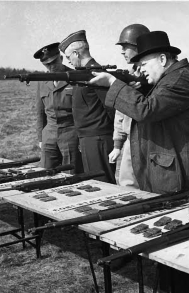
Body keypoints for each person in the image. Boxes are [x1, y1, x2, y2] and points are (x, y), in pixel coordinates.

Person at [89, 30, 189, 293]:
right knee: (169, 244)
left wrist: (114, 84)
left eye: (144, 64)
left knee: (181, 244)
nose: (141, 70)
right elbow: (145, 103)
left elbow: (147, 109)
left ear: (164, 59)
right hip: (169, 176)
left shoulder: (179, 80)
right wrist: (130, 86)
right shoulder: (169, 78)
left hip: (182, 180)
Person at [59, 30, 116, 183]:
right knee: (95, 182)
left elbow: (111, 107)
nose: (68, 61)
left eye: (68, 56)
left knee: (103, 183)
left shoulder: (95, 73)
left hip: (98, 138)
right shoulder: (83, 73)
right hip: (89, 137)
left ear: (76, 53)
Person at [109, 24, 150, 188]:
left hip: (150, 140)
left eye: (126, 47)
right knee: (127, 185)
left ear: (139, 48)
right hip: (129, 142)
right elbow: (120, 114)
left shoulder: (153, 77)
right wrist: (117, 144)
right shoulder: (129, 76)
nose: (122, 51)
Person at [34, 42, 83, 173]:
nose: (51, 67)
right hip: (49, 135)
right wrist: (40, 138)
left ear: (61, 59)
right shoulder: (41, 81)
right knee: (46, 173)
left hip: (71, 134)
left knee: (72, 174)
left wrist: (82, 137)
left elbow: (83, 111)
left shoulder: (75, 77)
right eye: (47, 64)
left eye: (53, 62)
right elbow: (40, 113)